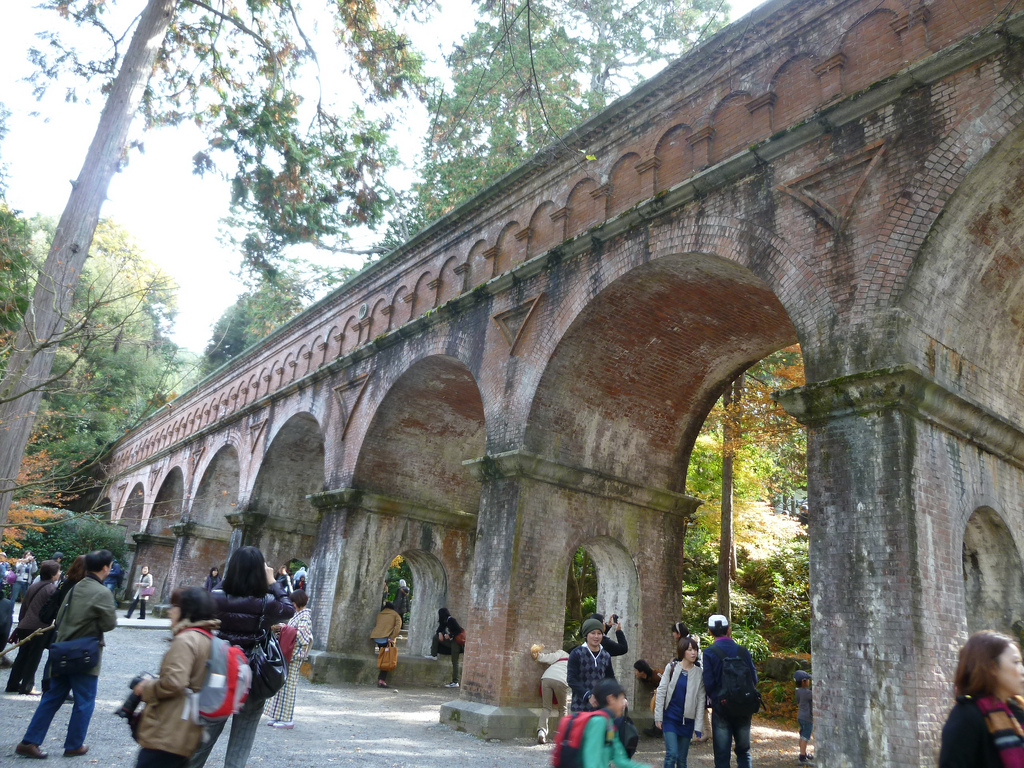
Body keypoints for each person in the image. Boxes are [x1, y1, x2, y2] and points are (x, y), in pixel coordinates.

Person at [187, 545, 294, 768]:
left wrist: (230, 578)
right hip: (254, 674)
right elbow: (289, 609)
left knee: (203, 737)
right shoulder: (268, 603)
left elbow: (205, 601)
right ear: (260, 572)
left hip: (219, 670)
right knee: (241, 743)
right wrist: (273, 581)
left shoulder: (216, 597)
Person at [15, 549, 118, 760]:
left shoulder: (74, 586)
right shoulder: (102, 592)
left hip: (61, 650)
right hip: (84, 653)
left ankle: (29, 741)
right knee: (85, 701)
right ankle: (74, 744)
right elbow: (109, 624)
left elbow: (60, 616)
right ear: (106, 567)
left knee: (52, 697)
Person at [133, 587, 219, 768]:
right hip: (186, 729)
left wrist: (146, 687)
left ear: (186, 610)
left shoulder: (186, 639)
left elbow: (174, 682)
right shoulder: (207, 638)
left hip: (167, 729)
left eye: (174, 606)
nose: (170, 611)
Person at [939, 630, 1024, 767]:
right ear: (992, 668)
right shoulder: (966, 717)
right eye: (1016, 662)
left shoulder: (1018, 711)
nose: (1022, 671)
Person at [702, 614, 757, 768]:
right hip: (744, 707)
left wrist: (716, 699)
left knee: (721, 755)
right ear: (729, 630)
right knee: (744, 752)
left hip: (721, 708)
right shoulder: (743, 651)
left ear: (710, 632)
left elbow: (709, 683)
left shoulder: (709, 652)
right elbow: (754, 679)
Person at [6, 559, 60, 695]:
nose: (59, 573)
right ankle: (27, 686)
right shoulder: (52, 589)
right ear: (53, 574)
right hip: (39, 627)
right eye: (58, 571)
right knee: (34, 657)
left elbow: (24, 607)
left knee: (22, 655)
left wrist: (20, 623)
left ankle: (12, 684)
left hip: (25, 624)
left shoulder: (33, 586)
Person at [38, 554, 87, 693]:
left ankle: (47, 684)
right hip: (72, 623)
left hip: (59, 622)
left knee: (54, 655)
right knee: (69, 657)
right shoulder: (81, 585)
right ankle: (60, 688)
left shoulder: (65, 581)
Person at [655, 636, 705, 768]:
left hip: (687, 721)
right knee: (672, 754)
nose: (693, 652)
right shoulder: (671, 668)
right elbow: (661, 692)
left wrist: (698, 727)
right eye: (690, 650)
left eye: (695, 649)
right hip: (670, 718)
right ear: (682, 651)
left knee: (682, 759)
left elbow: (701, 700)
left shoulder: (699, 673)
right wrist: (658, 716)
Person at [265, 588, 313, 727]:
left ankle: (287, 719)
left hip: (294, 655)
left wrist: (283, 628)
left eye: (293, 602)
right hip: (289, 654)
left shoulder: (304, 616)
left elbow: (302, 636)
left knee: (289, 687)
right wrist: (283, 627)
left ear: (297, 602)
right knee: (281, 685)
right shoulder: (298, 615)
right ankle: (277, 715)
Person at [578, 678, 651, 768]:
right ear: (611, 699)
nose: (623, 704)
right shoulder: (598, 723)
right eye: (621, 699)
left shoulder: (609, 724)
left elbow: (620, 759)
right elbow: (591, 762)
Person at [568, 617, 616, 712]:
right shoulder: (576, 653)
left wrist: (621, 697)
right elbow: (571, 679)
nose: (596, 636)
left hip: (600, 708)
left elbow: (610, 678)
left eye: (599, 633)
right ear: (586, 635)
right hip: (580, 707)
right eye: (593, 633)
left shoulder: (606, 655)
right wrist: (588, 695)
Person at [531, 642, 570, 744]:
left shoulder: (562, 653)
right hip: (561, 680)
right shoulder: (577, 660)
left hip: (546, 678)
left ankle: (541, 732)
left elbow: (548, 658)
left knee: (546, 708)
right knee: (563, 709)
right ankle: (562, 734)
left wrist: (538, 655)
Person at [426, 607, 465, 688]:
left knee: (455, 662)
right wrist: (440, 633)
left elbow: (458, 630)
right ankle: (434, 655)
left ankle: (455, 681)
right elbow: (440, 628)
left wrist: (450, 635)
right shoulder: (445, 621)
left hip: (456, 644)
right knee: (435, 637)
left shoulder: (451, 620)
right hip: (451, 642)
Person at [368, 599, 402, 688]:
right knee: (387, 659)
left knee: (383, 656)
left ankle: (381, 679)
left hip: (377, 638)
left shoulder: (380, 614)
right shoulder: (396, 615)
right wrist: (392, 637)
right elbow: (398, 627)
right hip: (386, 639)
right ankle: (381, 680)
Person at [634, 659, 664, 737]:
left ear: (642, 672)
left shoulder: (657, 675)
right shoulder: (646, 679)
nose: (635, 672)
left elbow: (666, 681)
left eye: (636, 670)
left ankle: (658, 730)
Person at [794, 670, 813, 763]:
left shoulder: (798, 691)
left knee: (802, 736)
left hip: (800, 716)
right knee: (805, 737)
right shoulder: (807, 693)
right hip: (807, 717)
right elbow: (815, 695)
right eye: (808, 680)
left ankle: (803, 753)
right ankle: (802, 757)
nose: (809, 682)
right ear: (803, 681)